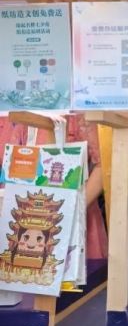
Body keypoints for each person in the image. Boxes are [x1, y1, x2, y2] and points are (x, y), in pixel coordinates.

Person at [0, 114, 108, 284]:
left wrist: (73, 209)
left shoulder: (76, 114)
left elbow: (105, 165)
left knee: (71, 292)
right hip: (16, 220)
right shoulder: (8, 113)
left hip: (74, 219)